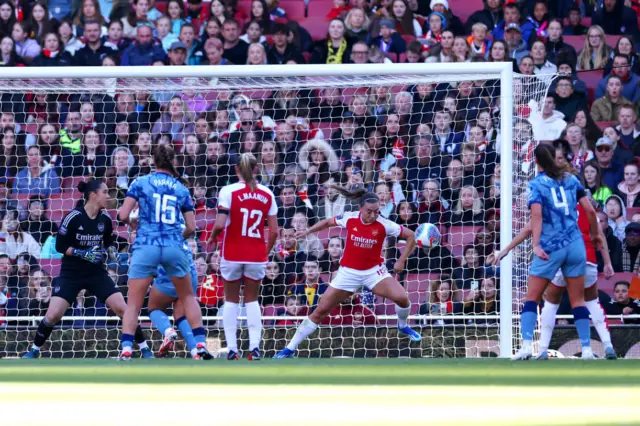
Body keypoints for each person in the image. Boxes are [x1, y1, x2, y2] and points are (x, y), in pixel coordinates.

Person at [495, 143, 617, 360]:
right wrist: (596, 236)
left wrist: (535, 245)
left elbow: (537, 216)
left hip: (551, 247)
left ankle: (525, 346)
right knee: (578, 300)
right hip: (576, 245)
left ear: (536, 161)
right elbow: (590, 210)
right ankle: (587, 350)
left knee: (532, 298)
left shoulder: (536, 185)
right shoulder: (572, 180)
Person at [274, 185, 421, 359]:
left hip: (374, 272)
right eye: (369, 211)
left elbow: (411, 235)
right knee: (319, 312)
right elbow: (328, 222)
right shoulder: (349, 218)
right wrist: (308, 231)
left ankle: (402, 325)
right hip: (348, 273)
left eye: (376, 211)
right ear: (360, 208)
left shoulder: (384, 224)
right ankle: (289, 349)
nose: (374, 215)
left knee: (403, 298)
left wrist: (401, 259)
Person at [21, 179, 152, 359]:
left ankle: (145, 348)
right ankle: (35, 350)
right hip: (71, 273)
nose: (108, 196)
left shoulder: (105, 219)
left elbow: (107, 241)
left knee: (123, 308)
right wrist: (82, 253)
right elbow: (60, 246)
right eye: (105, 192)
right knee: (53, 315)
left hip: (95, 273)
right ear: (93, 195)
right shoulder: (73, 217)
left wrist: (114, 253)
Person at [117, 145, 211, 361]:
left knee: (134, 303)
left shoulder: (140, 183)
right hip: (173, 247)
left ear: (154, 161)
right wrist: (178, 237)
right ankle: (200, 345)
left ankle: (127, 350)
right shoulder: (181, 188)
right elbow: (192, 228)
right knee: (188, 296)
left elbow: (122, 215)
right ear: (174, 161)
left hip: (146, 246)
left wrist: (136, 225)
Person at [207, 153, 279, 360]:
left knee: (230, 300)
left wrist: (212, 237)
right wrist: (264, 252)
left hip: (232, 252)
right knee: (252, 300)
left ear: (236, 169)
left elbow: (220, 224)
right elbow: (274, 231)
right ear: (256, 170)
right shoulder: (267, 194)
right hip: (256, 254)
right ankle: (254, 348)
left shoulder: (228, 191)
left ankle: (232, 349)